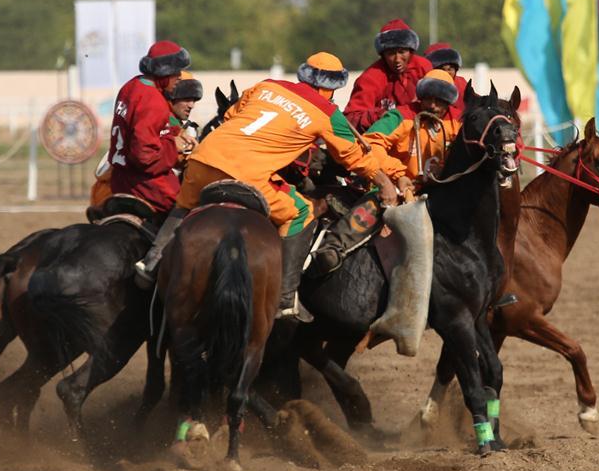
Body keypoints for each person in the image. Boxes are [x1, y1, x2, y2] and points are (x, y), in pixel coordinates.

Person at [135, 52, 400, 320]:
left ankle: (151, 261)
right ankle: (285, 298)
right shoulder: (327, 112)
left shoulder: (267, 85)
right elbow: (353, 156)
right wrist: (383, 180)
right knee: (301, 211)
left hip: (205, 158)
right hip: (248, 174)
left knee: (184, 204)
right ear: (328, 87)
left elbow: (231, 113)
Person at [309, 69, 462, 276]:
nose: (433, 106)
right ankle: (334, 247)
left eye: (439, 100)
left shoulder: (457, 124)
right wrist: (399, 174)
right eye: (428, 99)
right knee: (378, 201)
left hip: (440, 191)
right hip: (398, 189)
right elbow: (371, 144)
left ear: (448, 102)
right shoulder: (400, 116)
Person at [108, 40, 198, 213]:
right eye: (175, 71)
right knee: (190, 210)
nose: (180, 76)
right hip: (146, 185)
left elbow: (151, 126)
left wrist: (175, 133)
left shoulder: (131, 86)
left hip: (119, 178)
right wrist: (174, 146)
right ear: (163, 72)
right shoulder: (152, 100)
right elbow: (145, 157)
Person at [344, 19, 432, 133]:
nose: (397, 60)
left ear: (411, 51)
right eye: (391, 53)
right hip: (384, 138)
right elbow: (352, 118)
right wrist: (380, 116)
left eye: (402, 52)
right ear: (383, 55)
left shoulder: (424, 68)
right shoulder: (370, 78)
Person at [424, 42, 468, 117]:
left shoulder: (462, 83)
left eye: (450, 69)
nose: (446, 73)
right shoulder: (424, 86)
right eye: (441, 69)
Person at [165, 70, 203, 142]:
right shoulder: (158, 125)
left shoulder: (188, 129)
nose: (191, 106)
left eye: (194, 100)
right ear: (171, 98)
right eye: (187, 99)